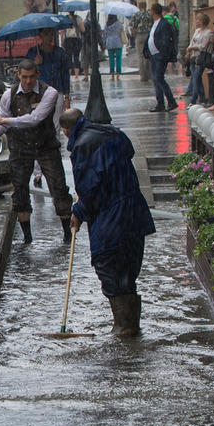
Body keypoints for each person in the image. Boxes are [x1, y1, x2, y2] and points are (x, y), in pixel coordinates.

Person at [61, 107, 155, 335]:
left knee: (109, 266)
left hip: (111, 217)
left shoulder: (83, 146)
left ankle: (124, 326)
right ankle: (131, 325)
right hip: (134, 211)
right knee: (128, 269)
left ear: (65, 130)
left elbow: (90, 189)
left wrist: (78, 212)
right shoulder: (112, 133)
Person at [0, 59, 76, 245]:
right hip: (20, 146)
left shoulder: (50, 93)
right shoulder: (8, 95)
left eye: (32, 77)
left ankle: (67, 235)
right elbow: (3, 123)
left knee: (58, 188)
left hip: (46, 145)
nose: (28, 81)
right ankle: (27, 238)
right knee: (20, 190)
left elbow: (34, 119)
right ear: (18, 75)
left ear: (37, 75)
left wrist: (3, 121)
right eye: (24, 77)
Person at [25, 26, 73, 188]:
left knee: (55, 130)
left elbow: (65, 75)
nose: (49, 37)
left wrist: (66, 96)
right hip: (40, 95)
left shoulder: (60, 54)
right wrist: (35, 64)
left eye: (51, 34)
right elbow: (25, 72)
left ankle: (54, 169)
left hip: (57, 93)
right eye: (46, 34)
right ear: (40, 36)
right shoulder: (34, 53)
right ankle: (37, 172)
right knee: (38, 131)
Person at [142, 3, 178, 112]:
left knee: (159, 78)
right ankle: (160, 103)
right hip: (153, 55)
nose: (149, 13)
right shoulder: (154, 23)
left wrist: (162, 53)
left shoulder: (164, 24)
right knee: (156, 79)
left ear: (153, 11)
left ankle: (171, 101)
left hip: (160, 55)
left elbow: (165, 40)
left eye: (150, 11)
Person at [184, 12, 214, 106]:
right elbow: (192, 41)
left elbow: (203, 46)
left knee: (196, 78)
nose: (196, 21)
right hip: (193, 57)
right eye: (196, 19)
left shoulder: (208, 33)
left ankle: (194, 99)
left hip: (201, 58)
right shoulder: (197, 31)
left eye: (198, 20)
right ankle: (203, 99)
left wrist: (193, 48)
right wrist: (188, 50)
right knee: (197, 79)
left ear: (203, 21)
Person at [129, 2, 153, 82]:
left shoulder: (136, 15)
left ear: (139, 6)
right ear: (145, 6)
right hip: (148, 35)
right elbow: (152, 25)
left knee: (140, 56)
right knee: (147, 55)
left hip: (139, 36)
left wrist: (134, 35)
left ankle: (143, 76)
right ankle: (148, 74)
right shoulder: (149, 15)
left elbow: (131, 27)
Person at [62, 12, 83, 79]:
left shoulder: (65, 18)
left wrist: (62, 41)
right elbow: (83, 29)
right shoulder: (78, 18)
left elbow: (62, 31)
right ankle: (76, 76)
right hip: (76, 39)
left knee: (69, 58)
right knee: (76, 57)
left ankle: (69, 75)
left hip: (67, 39)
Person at [103, 14, 124, 80]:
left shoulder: (106, 24)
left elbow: (105, 35)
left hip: (109, 43)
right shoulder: (119, 24)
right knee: (118, 59)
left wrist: (103, 44)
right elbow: (122, 32)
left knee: (111, 60)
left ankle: (112, 75)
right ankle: (118, 75)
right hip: (118, 42)